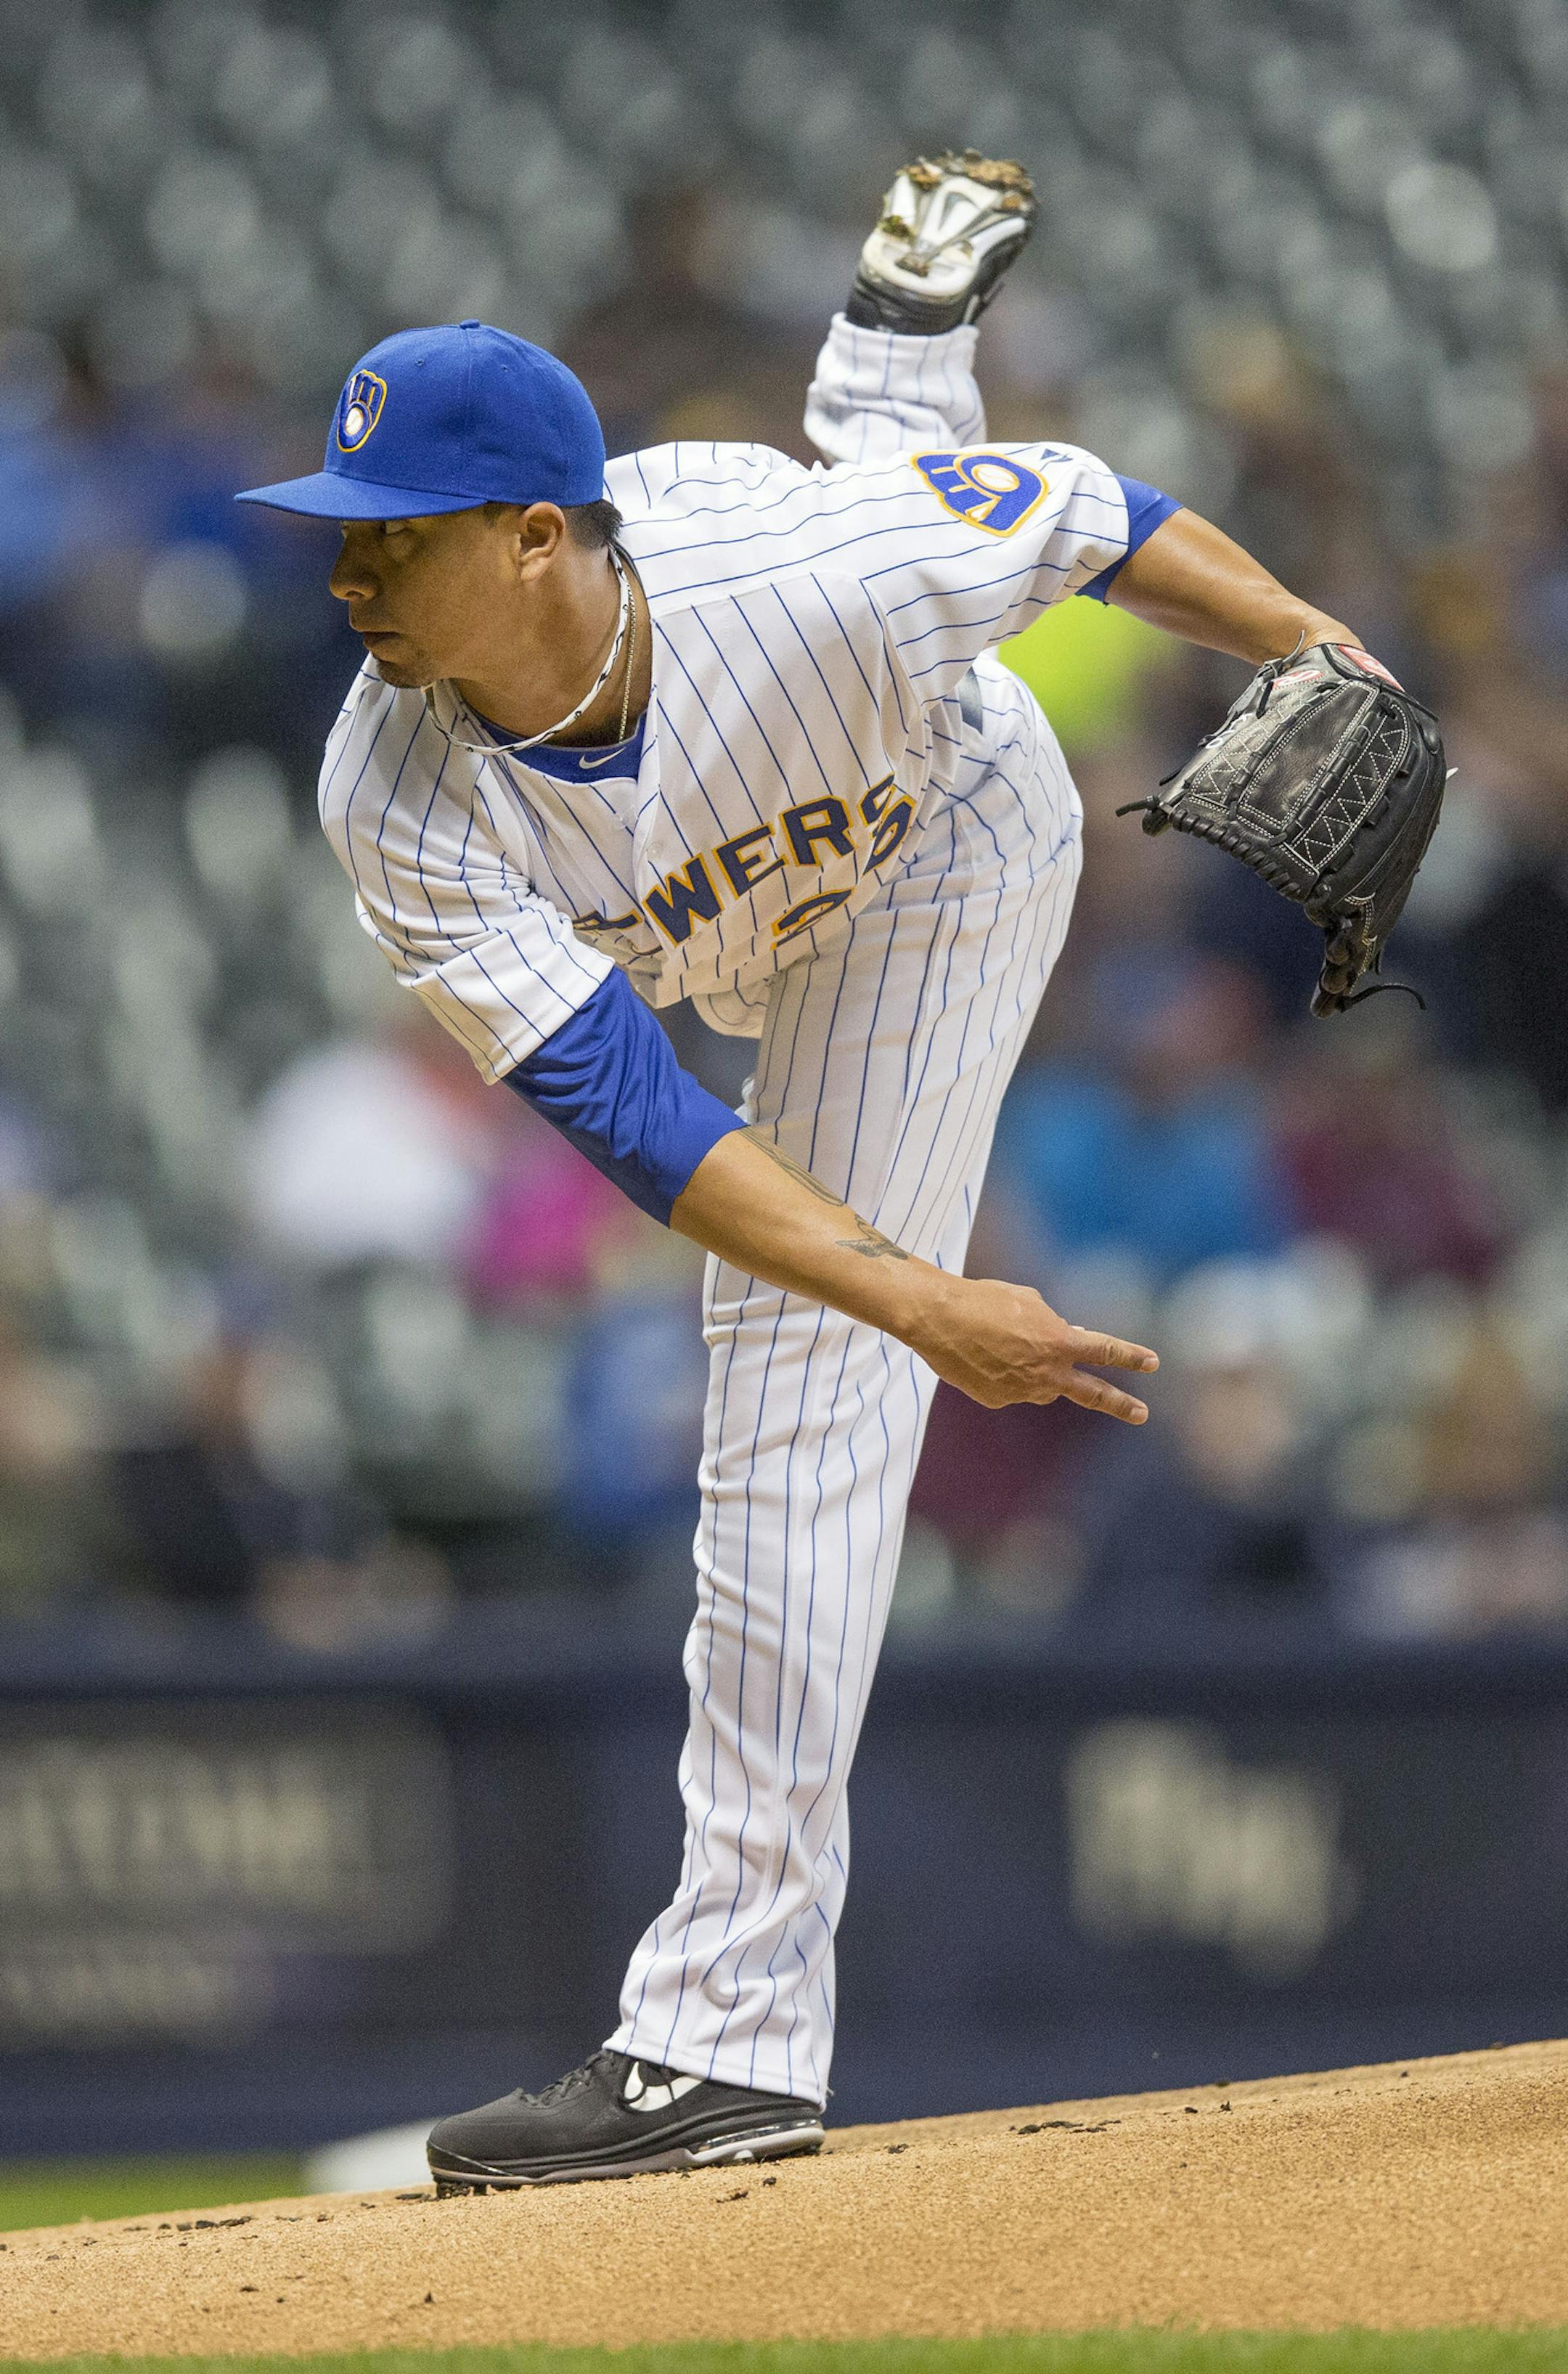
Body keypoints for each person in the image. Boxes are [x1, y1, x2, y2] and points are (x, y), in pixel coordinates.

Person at [239, 152, 1374, 2187]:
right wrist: (927, 1293)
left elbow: (1096, 513)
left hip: (937, 841)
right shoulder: (383, 787)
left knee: (793, 1382)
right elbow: (646, 1120)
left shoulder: (805, 572)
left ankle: (725, 2037)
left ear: (527, 536)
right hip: (734, 907)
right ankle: (891, 350)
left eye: (386, 544)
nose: (343, 579)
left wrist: (1316, 644)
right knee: (842, 1295)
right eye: (338, 537)